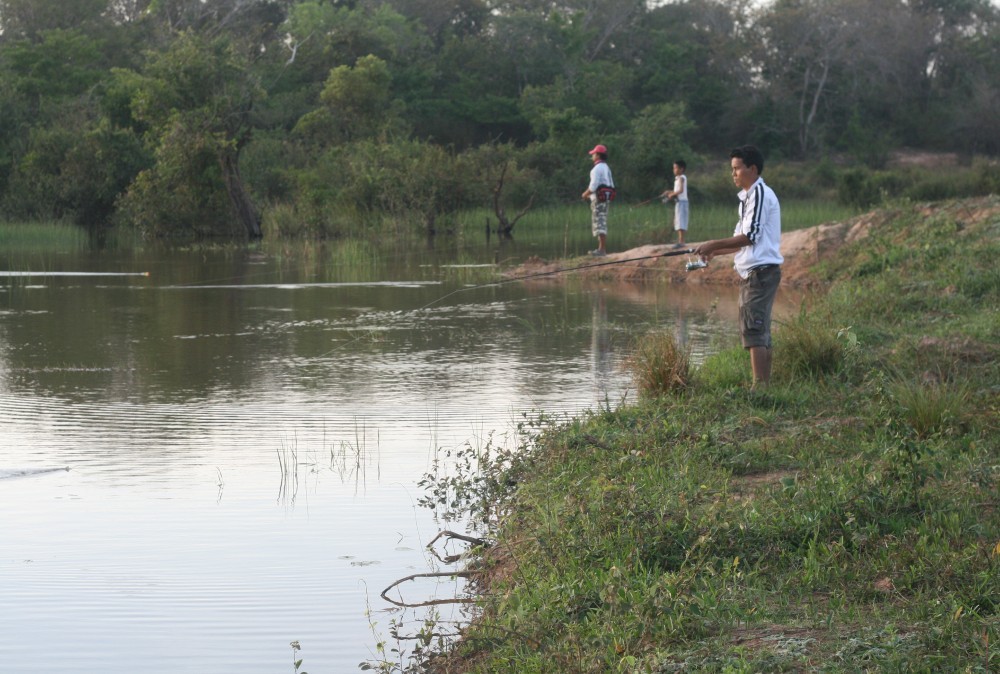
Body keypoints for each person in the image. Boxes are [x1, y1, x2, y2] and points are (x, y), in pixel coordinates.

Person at [693, 145, 782, 389]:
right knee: (757, 330)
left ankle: (759, 389)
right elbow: (738, 241)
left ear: (752, 169)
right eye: (731, 170)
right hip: (752, 273)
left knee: (754, 331)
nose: (733, 174)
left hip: (761, 273)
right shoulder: (746, 198)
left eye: (736, 169)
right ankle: (762, 386)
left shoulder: (760, 193)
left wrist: (712, 243)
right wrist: (710, 251)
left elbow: (749, 236)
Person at [581, 144, 615, 256]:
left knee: (599, 223)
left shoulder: (596, 169)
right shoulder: (607, 168)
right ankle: (601, 249)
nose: (592, 156)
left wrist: (584, 194)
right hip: (606, 199)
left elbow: (593, 186)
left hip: (598, 200)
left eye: (593, 154)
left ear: (598, 155)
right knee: (602, 221)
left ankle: (601, 250)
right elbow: (611, 185)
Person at [661, 160, 689, 247]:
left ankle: (681, 242)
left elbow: (680, 190)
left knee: (681, 221)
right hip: (679, 202)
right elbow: (677, 190)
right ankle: (680, 241)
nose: (674, 170)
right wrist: (668, 192)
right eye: (674, 168)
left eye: (676, 168)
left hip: (682, 202)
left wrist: (671, 195)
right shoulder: (677, 179)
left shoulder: (681, 178)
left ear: (681, 169)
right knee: (678, 221)